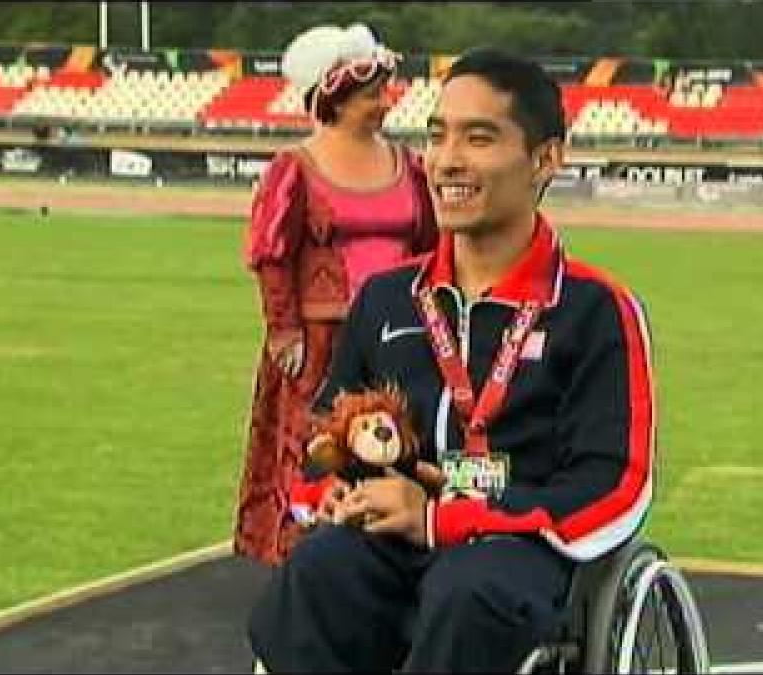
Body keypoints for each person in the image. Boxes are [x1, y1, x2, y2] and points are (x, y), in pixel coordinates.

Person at [245, 47, 657, 673]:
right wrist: (328, 491)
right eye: (437, 137)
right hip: (391, 536)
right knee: (317, 573)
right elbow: (324, 432)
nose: (447, 160)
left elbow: (613, 487)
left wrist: (444, 518)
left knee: (467, 595)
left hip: (516, 547)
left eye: (480, 137)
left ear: (546, 159)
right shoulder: (387, 300)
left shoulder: (595, 309)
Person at [233, 23, 438, 565]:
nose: (385, 103)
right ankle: (302, 548)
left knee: (399, 435)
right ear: (337, 99)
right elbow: (271, 254)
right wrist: (283, 330)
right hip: (323, 336)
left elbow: (432, 246)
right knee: (317, 443)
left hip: (401, 329)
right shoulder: (295, 168)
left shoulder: (408, 165)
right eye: (372, 94)